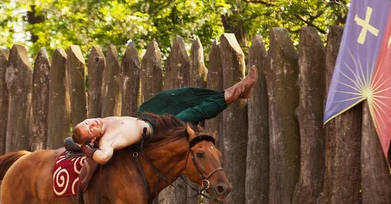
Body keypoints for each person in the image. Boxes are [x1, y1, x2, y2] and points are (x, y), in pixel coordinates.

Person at [71, 65, 258, 165]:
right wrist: (85, 148)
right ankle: (236, 91)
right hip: (157, 130)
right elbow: (103, 157)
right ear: (93, 137)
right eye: (90, 128)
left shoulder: (102, 123)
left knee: (180, 96)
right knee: (192, 113)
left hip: (147, 114)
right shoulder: (107, 140)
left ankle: (233, 94)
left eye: (87, 121)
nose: (92, 122)